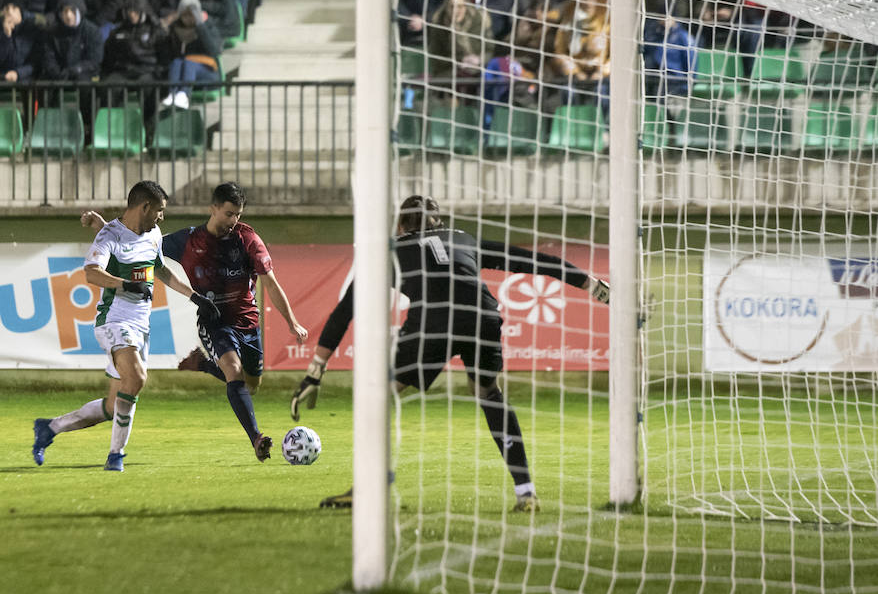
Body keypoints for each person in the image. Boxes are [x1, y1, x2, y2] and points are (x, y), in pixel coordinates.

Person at [291, 195, 611, 511]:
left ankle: (365, 491)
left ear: (400, 225)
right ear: (439, 221)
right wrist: (591, 284)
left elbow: (344, 311)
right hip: (482, 316)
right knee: (488, 392)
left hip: (433, 321)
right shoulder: (464, 239)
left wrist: (315, 370)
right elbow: (530, 261)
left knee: (378, 397)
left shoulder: (390, 252)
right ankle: (526, 492)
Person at [78, 181, 309, 461]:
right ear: (213, 209)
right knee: (233, 372)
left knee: (251, 385)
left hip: (247, 322)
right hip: (214, 321)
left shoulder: (248, 239)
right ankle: (256, 438)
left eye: (238, 214)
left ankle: (203, 364)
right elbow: (135, 241)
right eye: (228, 214)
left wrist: (292, 322)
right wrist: (105, 227)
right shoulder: (188, 240)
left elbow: (270, 283)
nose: (234, 221)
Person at [31, 179, 219, 470]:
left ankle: (50, 427)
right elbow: (92, 273)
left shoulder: (153, 233)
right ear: (144, 207)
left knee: (112, 405)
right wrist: (126, 285)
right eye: (159, 210)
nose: (161, 217)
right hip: (114, 321)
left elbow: (160, 270)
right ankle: (115, 456)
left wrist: (194, 297)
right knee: (137, 378)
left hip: (139, 326)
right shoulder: (108, 236)